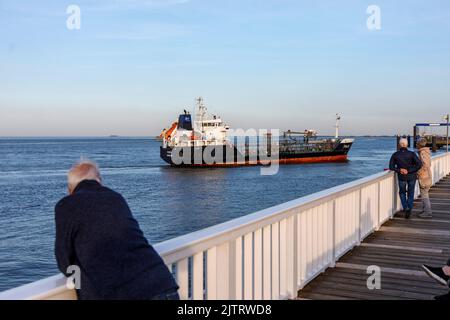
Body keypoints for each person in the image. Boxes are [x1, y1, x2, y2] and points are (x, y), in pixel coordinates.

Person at [55, 160, 179, 300]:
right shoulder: (115, 198)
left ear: (70, 189)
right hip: (161, 284)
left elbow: (64, 262)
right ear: (100, 181)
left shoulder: (65, 205)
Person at [389, 138, 422, 218]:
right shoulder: (412, 154)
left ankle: (406, 207)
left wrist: (400, 170)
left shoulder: (395, 154)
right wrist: (409, 170)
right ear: (407, 144)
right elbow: (419, 164)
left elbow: (391, 167)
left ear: (400, 144)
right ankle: (409, 208)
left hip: (402, 176)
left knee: (402, 192)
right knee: (411, 193)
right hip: (411, 176)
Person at [416, 138, 433, 218]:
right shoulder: (426, 152)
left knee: (424, 195)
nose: (416, 144)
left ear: (419, 144)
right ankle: (425, 210)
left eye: (417, 143)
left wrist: (419, 172)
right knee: (424, 193)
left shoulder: (422, 152)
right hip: (427, 176)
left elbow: (425, 164)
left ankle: (428, 212)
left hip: (424, 177)